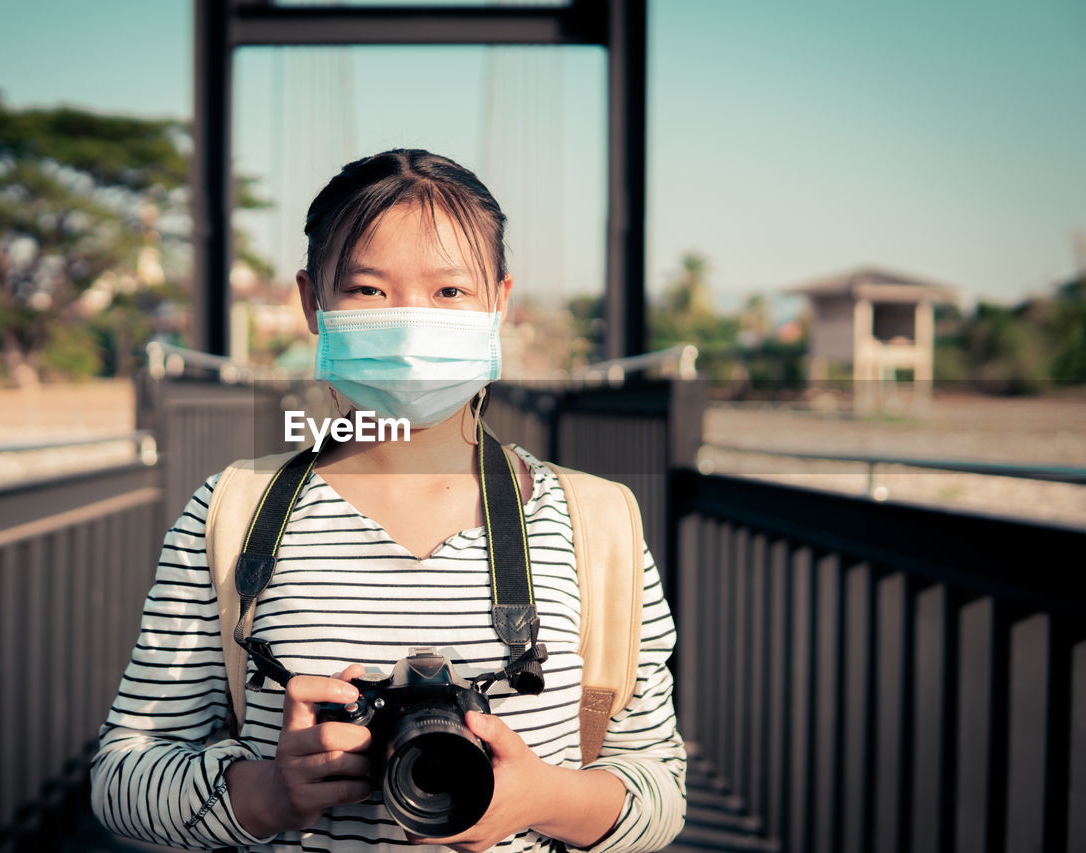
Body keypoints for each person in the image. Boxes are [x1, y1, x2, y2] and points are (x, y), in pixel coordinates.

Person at [89, 149, 686, 852]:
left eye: (449, 293)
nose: (410, 323)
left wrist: (543, 796)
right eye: (370, 291)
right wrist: (266, 793)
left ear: (501, 301)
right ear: (313, 304)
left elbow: (659, 786)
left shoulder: (596, 523)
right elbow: (120, 774)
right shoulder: (232, 515)